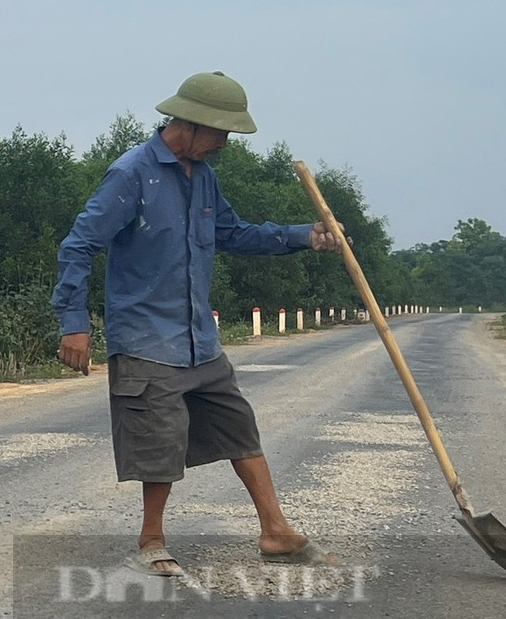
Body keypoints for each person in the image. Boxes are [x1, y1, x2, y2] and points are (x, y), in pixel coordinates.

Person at [51, 71, 340, 577]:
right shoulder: (132, 174)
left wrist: (305, 236)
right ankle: (152, 539)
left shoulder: (203, 176)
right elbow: (79, 244)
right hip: (144, 338)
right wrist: (74, 322)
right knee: (160, 442)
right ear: (189, 123)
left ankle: (275, 532)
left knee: (238, 426)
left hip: (198, 340)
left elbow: (233, 233)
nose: (225, 144)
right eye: (221, 133)